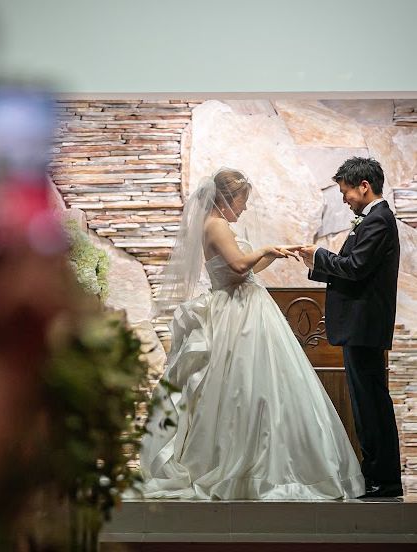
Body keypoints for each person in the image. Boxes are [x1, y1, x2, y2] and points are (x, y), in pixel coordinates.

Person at [139, 167, 365, 500]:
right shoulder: (215, 225)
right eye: (241, 201)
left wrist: (271, 255)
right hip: (237, 313)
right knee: (242, 385)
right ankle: (243, 468)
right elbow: (238, 265)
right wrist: (264, 249)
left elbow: (245, 269)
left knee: (255, 385)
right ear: (226, 199)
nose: (244, 208)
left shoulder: (219, 224)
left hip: (244, 305)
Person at [299, 157, 402, 498]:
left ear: (364, 186)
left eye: (346, 192)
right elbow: (353, 266)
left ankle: (382, 478)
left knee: (370, 404)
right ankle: (376, 474)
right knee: (366, 402)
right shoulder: (373, 220)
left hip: (365, 326)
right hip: (361, 327)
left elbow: (356, 267)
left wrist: (319, 254)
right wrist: (315, 261)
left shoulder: (379, 220)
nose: (344, 199)